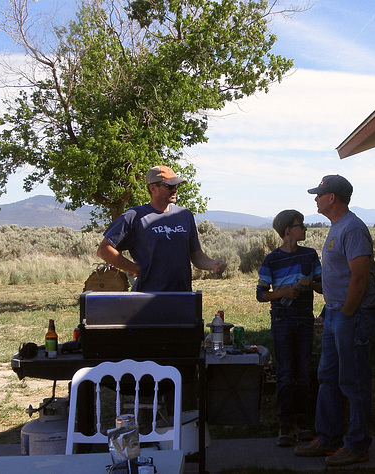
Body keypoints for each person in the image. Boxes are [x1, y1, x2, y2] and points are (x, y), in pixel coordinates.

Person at [294, 174, 375, 467]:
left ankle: (357, 445)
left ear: (332, 198)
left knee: (353, 381)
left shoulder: (353, 228)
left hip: (350, 316)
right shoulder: (338, 227)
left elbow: (360, 276)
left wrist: (346, 314)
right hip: (334, 314)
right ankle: (328, 439)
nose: (315, 198)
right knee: (328, 377)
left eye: (319, 194)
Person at [97, 165, 226, 291]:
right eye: (170, 186)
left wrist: (212, 264)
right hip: (147, 298)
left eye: (176, 186)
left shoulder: (185, 215)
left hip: (183, 296)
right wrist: (134, 268)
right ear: (153, 188)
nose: (175, 190)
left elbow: (196, 255)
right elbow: (104, 250)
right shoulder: (134, 216)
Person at [256, 210, 323, 447]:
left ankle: (303, 424)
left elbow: (323, 287)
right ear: (288, 231)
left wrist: (311, 284)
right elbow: (261, 294)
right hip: (282, 322)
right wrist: (282, 293)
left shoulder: (310, 255)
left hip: (304, 321)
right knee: (285, 374)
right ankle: (285, 426)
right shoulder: (271, 260)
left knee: (303, 373)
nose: (305, 228)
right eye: (300, 225)